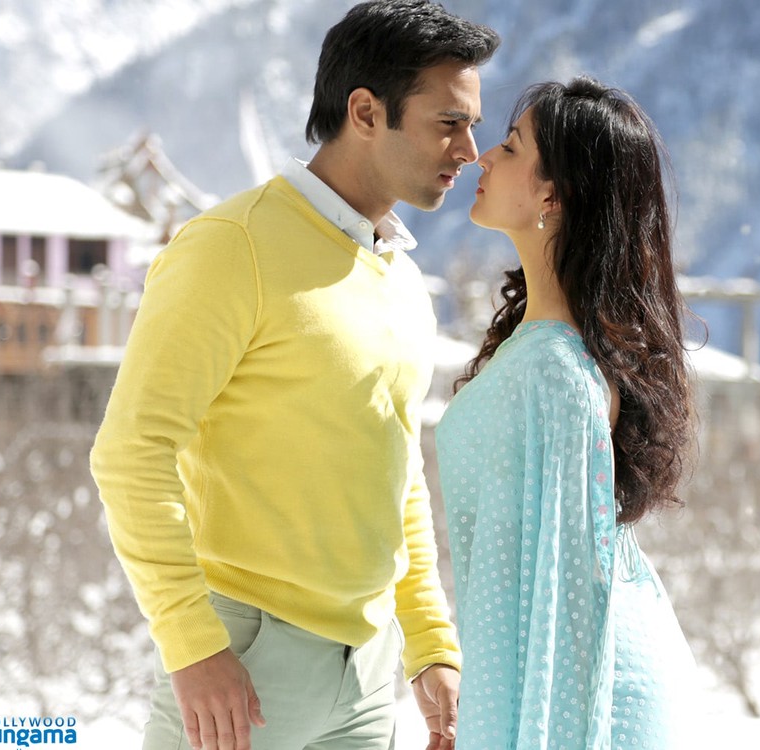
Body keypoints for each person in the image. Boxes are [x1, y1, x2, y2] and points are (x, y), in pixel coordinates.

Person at [89, 3, 498, 749]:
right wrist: (193, 645)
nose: (469, 149)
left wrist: (430, 644)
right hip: (243, 668)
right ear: (365, 112)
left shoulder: (402, 279)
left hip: (368, 676)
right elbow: (130, 453)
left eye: (471, 125)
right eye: (449, 123)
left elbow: (397, 467)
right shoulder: (230, 245)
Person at [436, 77, 698, 749]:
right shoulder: (539, 345)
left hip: (588, 691)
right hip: (557, 673)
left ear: (553, 195)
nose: (482, 156)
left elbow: (569, 595)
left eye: (510, 146)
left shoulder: (557, 372)